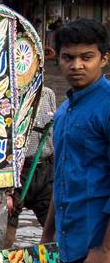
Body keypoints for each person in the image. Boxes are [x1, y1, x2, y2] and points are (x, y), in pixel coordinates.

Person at [42, 19, 110, 263]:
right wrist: (47, 234)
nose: (76, 65)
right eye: (68, 57)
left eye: (86, 57)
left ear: (103, 59)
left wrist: (104, 250)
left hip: (97, 245)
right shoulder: (64, 110)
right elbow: (62, 178)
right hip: (67, 241)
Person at [6, 87, 57, 248]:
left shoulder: (48, 93)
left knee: (58, 230)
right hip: (15, 171)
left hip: (44, 168)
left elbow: (53, 135)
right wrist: (6, 191)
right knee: (4, 235)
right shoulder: (4, 94)